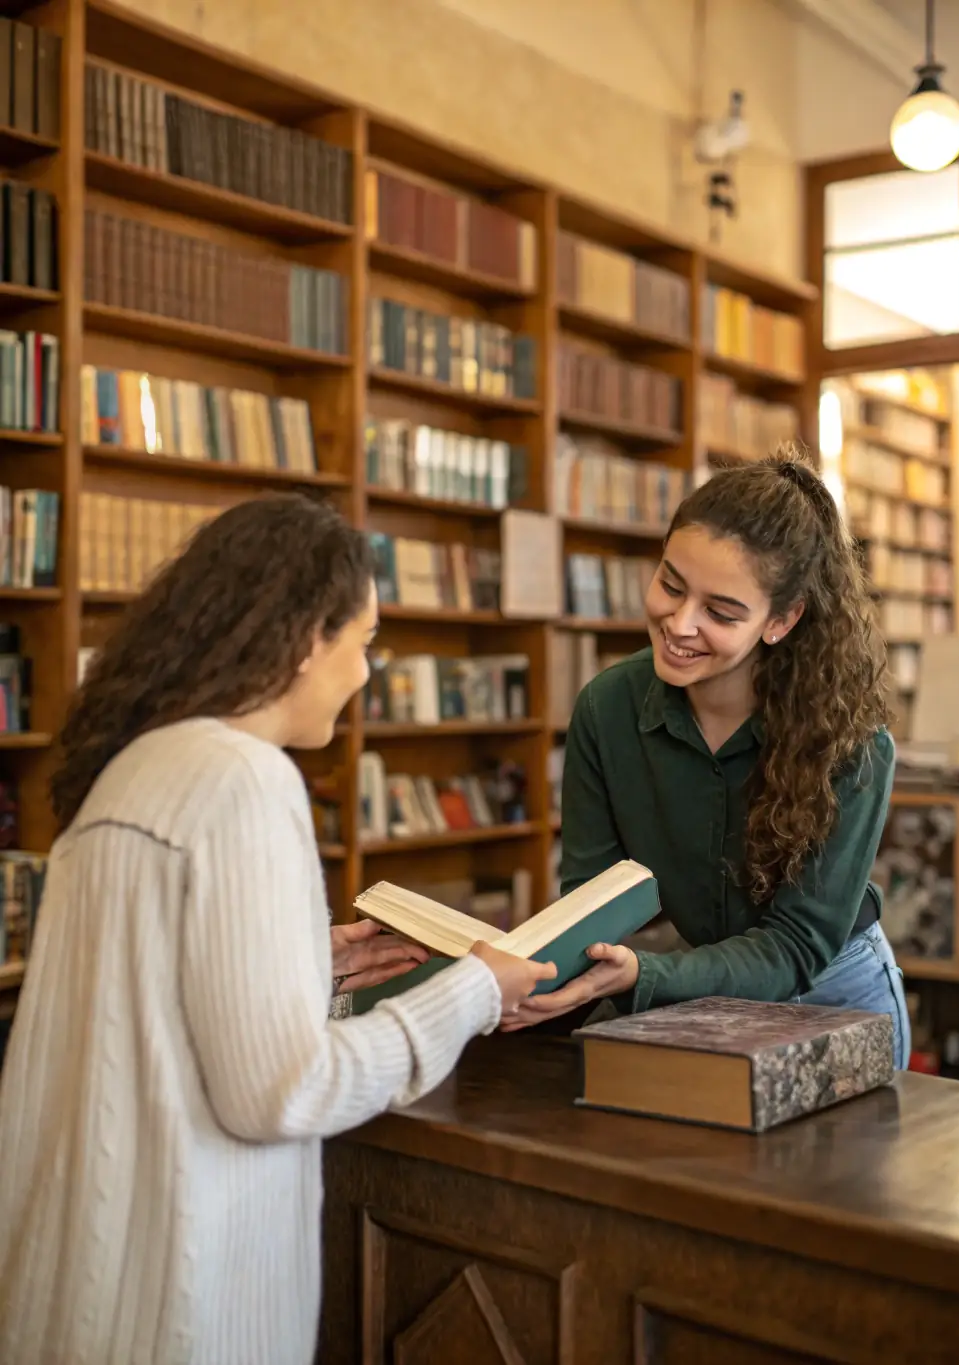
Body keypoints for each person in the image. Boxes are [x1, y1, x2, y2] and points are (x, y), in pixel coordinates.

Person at [0, 493, 554, 1365]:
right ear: (305, 640)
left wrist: (305, 966)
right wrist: (475, 990)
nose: (367, 673)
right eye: (363, 643)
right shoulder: (247, 780)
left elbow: (152, 1017)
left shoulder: (135, 768)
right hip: (184, 1297)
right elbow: (283, 1092)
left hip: (82, 1277)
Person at [504, 450, 910, 1069]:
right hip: (694, 994)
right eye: (670, 584)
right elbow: (590, 904)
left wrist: (646, 974)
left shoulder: (850, 740)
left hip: (834, 995)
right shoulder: (607, 710)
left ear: (781, 619)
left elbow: (796, 947)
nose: (679, 623)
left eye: (720, 612)